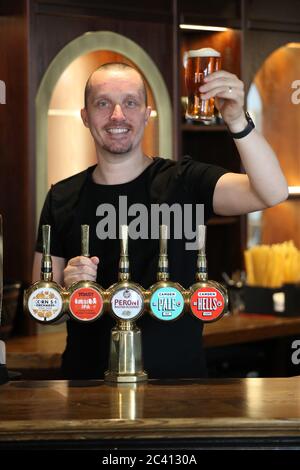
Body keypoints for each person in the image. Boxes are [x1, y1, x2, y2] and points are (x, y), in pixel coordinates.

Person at [32, 62, 288, 380]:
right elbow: (44, 312)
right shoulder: (62, 196)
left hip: (179, 389)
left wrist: (237, 119)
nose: (117, 115)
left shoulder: (185, 181)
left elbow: (272, 192)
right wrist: (67, 292)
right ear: (85, 116)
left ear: (147, 114)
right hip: (89, 390)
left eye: (130, 103)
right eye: (102, 103)